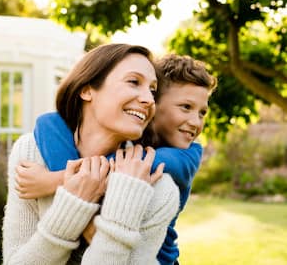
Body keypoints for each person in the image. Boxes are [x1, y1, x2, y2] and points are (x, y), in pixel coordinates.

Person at [15, 54, 217, 264]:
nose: (195, 122)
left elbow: (129, 168)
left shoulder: (187, 155)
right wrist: (83, 212)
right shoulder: (132, 134)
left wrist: (52, 181)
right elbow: (49, 122)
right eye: (186, 107)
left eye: (202, 113)